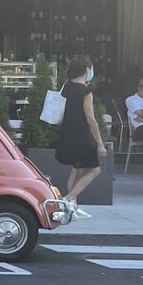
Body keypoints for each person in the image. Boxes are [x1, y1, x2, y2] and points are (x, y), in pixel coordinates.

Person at [54, 58, 106, 220]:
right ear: (86, 70)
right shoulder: (85, 92)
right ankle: (68, 199)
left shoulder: (66, 87)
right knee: (95, 170)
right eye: (90, 69)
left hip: (67, 133)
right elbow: (91, 119)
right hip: (82, 135)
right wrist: (100, 144)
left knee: (76, 170)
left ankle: (72, 207)